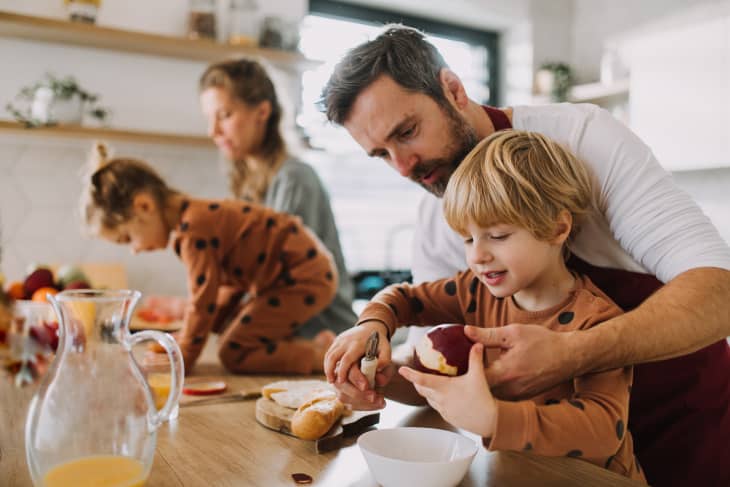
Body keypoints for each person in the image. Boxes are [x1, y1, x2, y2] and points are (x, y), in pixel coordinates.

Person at [321, 25, 730, 486]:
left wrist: (572, 354)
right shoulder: (439, 221)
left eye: (408, 132)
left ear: (453, 90)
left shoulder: (586, 140)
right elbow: (445, 364)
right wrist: (374, 353)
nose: (403, 166)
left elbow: (720, 292)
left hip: (681, 424)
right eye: (381, 154)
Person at [327, 130, 645, 482]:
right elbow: (403, 299)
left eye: (498, 236)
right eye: (467, 238)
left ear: (557, 228)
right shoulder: (475, 290)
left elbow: (602, 431)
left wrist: (494, 419)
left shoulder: (597, 320)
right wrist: (376, 346)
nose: (477, 255)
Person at [81, 144, 337, 375]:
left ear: (144, 206)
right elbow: (222, 289)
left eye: (128, 239)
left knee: (233, 352)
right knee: (230, 333)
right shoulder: (196, 218)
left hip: (302, 276)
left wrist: (184, 357)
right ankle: (317, 346)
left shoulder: (193, 230)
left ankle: (321, 357)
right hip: (300, 272)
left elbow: (202, 301)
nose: (134, 250)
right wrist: (186, 338)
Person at [199, 58, 356, 339]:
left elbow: (272, 276)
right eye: (208, 118)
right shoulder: (248, 186)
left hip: (324, 337)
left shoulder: (295, 178)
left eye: (224, 115)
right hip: (283, 336)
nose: (213, 131)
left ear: (262, 111)